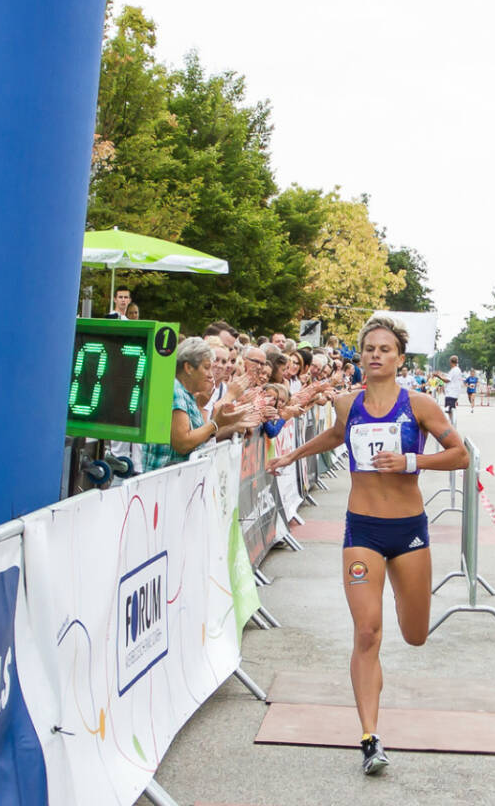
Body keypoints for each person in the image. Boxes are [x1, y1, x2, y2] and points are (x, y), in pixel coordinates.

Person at [269, 315, 467, 776]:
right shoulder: (345, 403)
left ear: (400, 357)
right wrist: (292, 455)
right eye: (369, 348)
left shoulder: (419, 404)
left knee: (415, 635)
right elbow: (336, 436)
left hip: (409, 532)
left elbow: (460, 453)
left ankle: (402, 598)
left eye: (385, 349)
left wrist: (410, 460)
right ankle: (369, 738)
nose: (375, 355)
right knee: (367, 632)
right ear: (361, 355)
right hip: (362, 531)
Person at [142, 338, 249, 471]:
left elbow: (195, 439)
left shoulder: (186, 394)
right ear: (188, 368)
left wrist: (219, 424)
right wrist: (215, 424)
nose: (210, 375)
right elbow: (183, 443)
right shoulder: (175, 390)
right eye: (206, 368)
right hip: (164, 482)